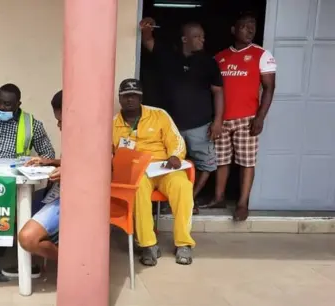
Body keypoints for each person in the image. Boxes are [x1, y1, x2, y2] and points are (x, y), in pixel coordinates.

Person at [139, 18, 224, 213]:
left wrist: (218, 120)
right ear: (185, 39)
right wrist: (146, 27)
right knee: (167, 163)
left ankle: (189, 198)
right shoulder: (169, 56)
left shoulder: (208, 63)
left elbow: (218, 91)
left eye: (203, 36)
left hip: (200, 124)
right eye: (196, 37)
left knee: (207, 164)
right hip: (171, 126)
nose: (202, 40)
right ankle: (169, 200)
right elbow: (148, 41)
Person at [112, 79, 195, 266]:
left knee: (183, 186)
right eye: (126, 96)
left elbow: (176, 140)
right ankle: (148, 244)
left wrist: (175, 155)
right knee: (137, 189)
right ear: (119, 99)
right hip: (137, 172)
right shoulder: (113, 124)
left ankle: (183, 243)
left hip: (164, 168)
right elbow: (108, 152)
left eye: (134, 96)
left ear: (141, 97)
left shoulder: (159, 115)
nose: (130, 100)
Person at [203, 12, 276, 221]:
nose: (250, 30)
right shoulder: (220, 57)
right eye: (244, 26)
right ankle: (219, 197)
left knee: (246, 162)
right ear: (234, 30)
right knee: (221, 160)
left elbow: (269, 88)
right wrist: (215, 118)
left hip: (247, 118)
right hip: (222, 119)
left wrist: (260, 117)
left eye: (252, 26)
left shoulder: (262, 55)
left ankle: (243, 203)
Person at [2, 90, 63, 278]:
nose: (59, 126)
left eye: (62, 121)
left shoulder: (97, 137)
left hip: (71, 198)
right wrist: (51, 162)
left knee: (28, 238)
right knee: (11, 210)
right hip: (55, 192)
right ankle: (29, 263)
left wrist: (73, 172)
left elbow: (102, 169)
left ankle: (74, 262)